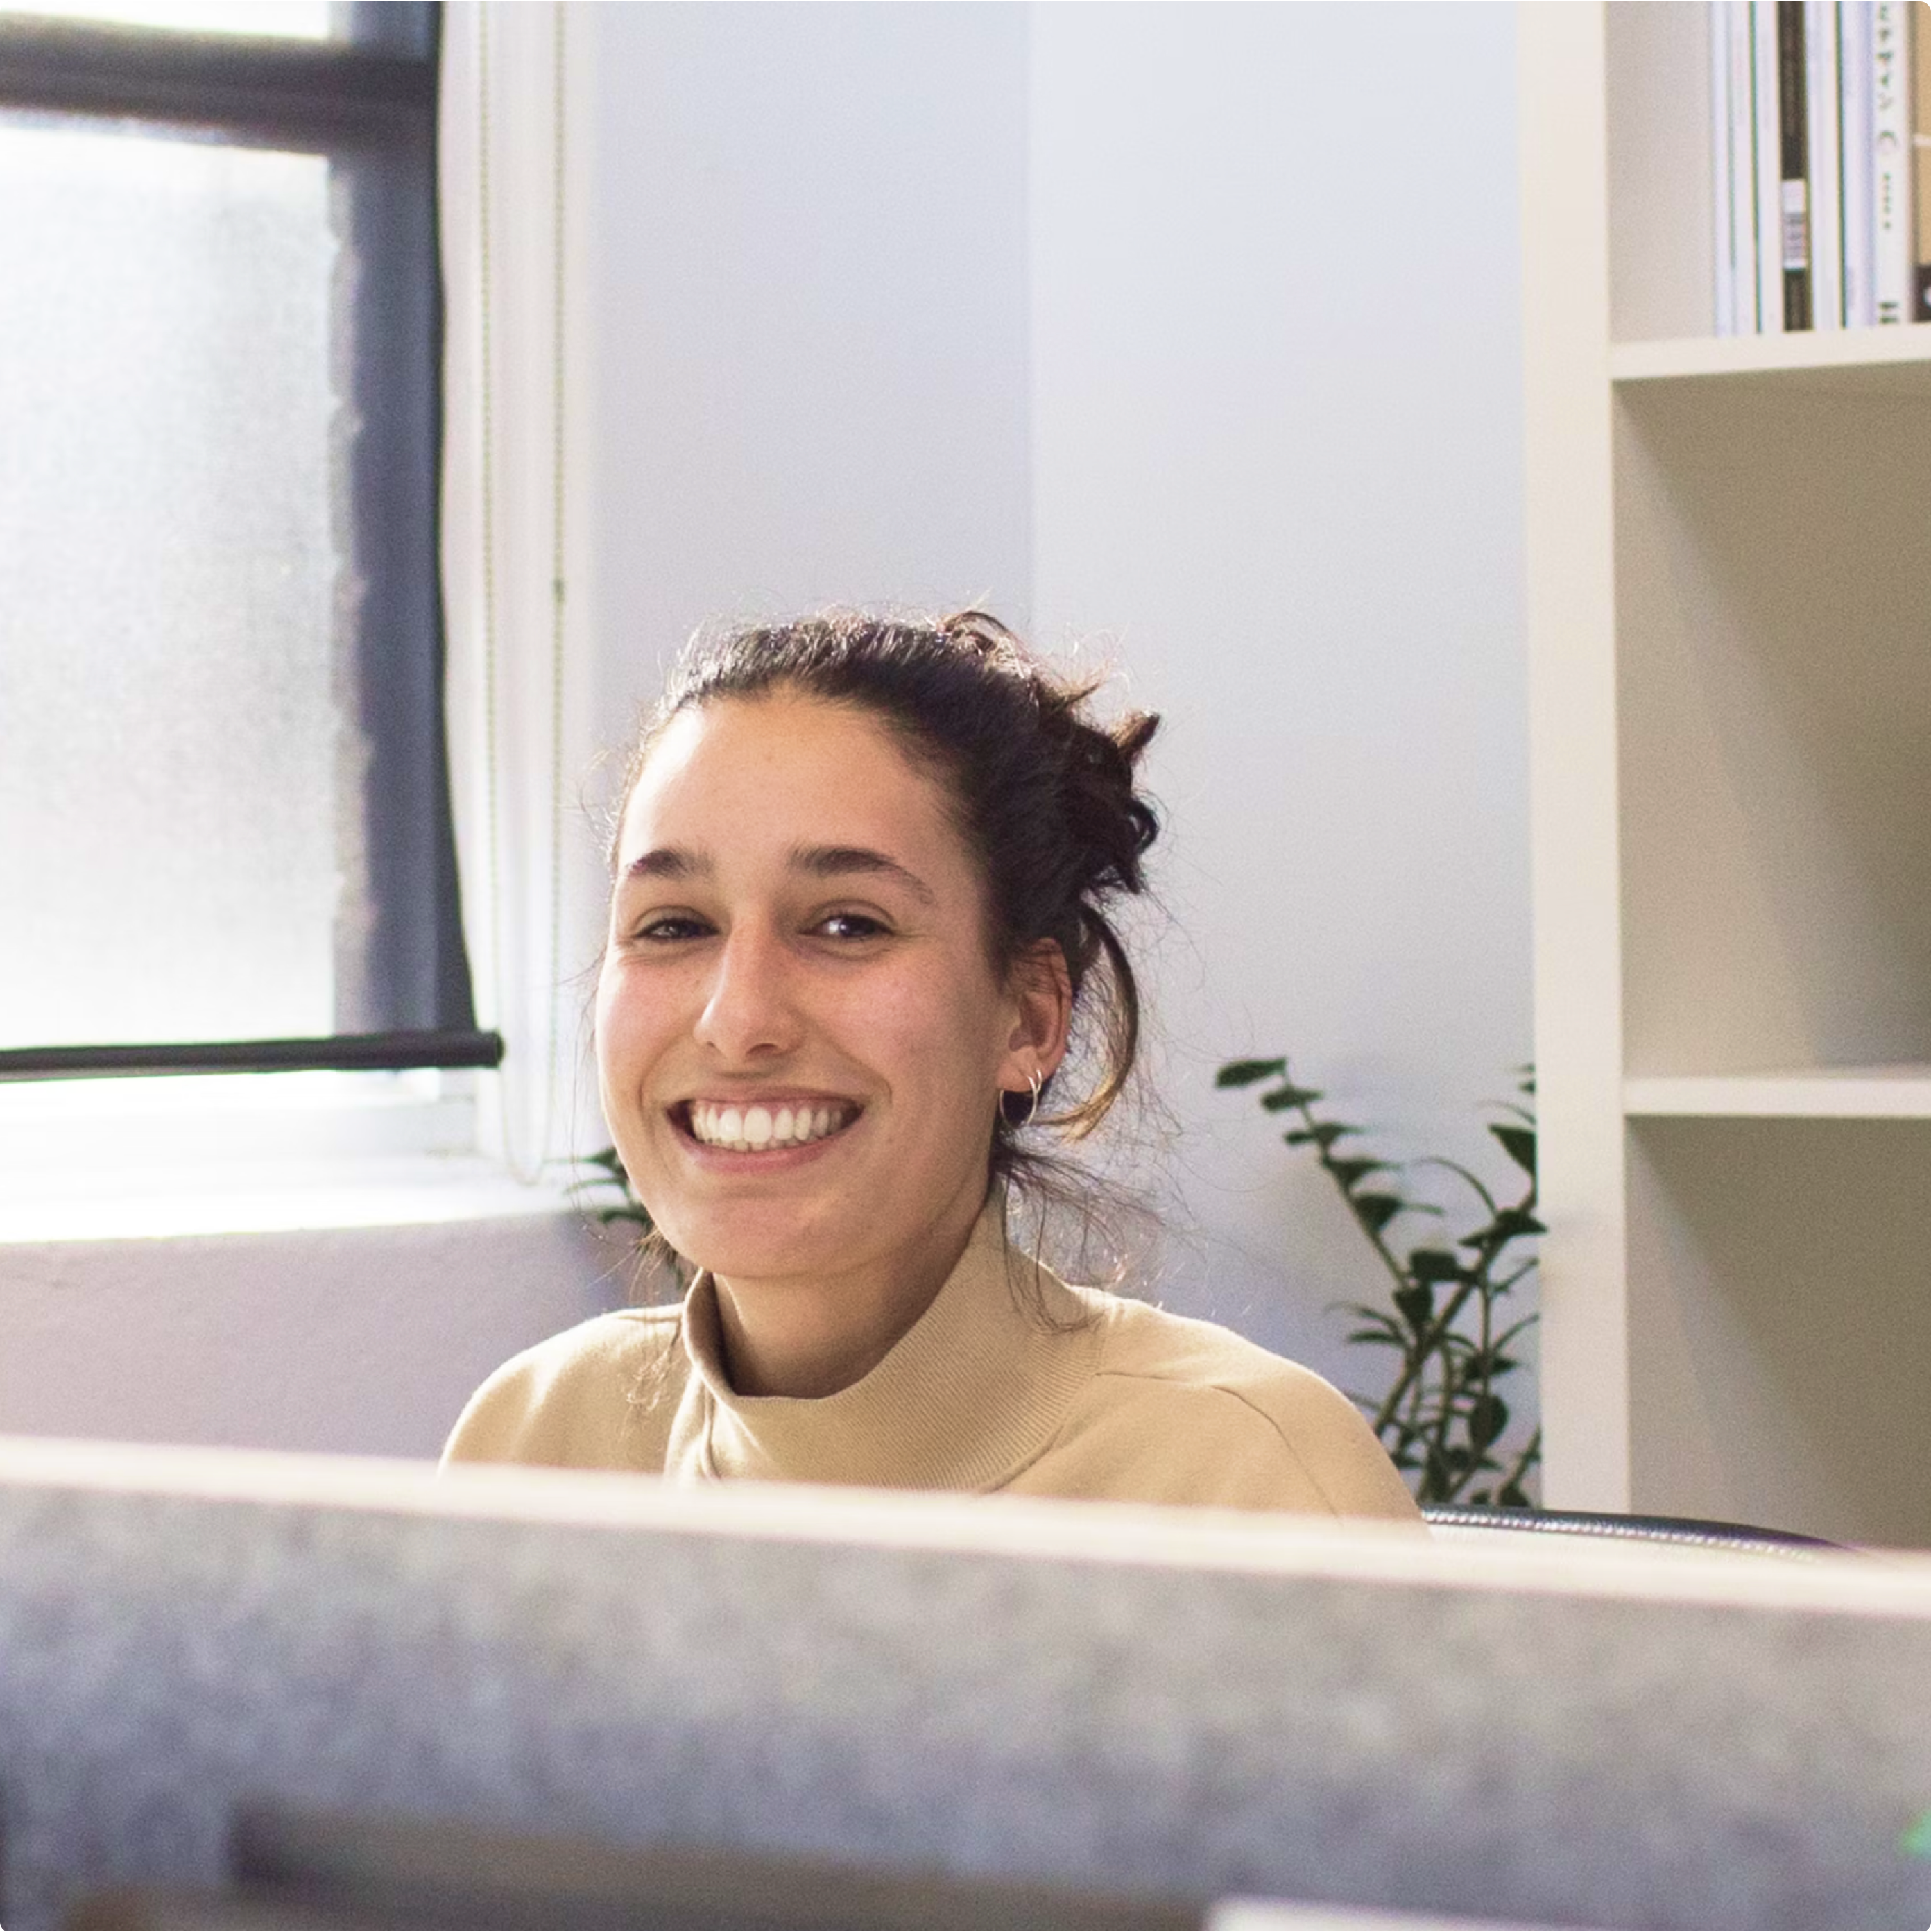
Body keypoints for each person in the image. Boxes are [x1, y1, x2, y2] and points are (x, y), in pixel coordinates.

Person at [441, 610, 1418, 1522]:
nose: (736, 1021)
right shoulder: (535, 1446)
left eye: (847, 925)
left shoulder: (1248, 1486)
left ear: (1030, 1018)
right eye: (674, 926)